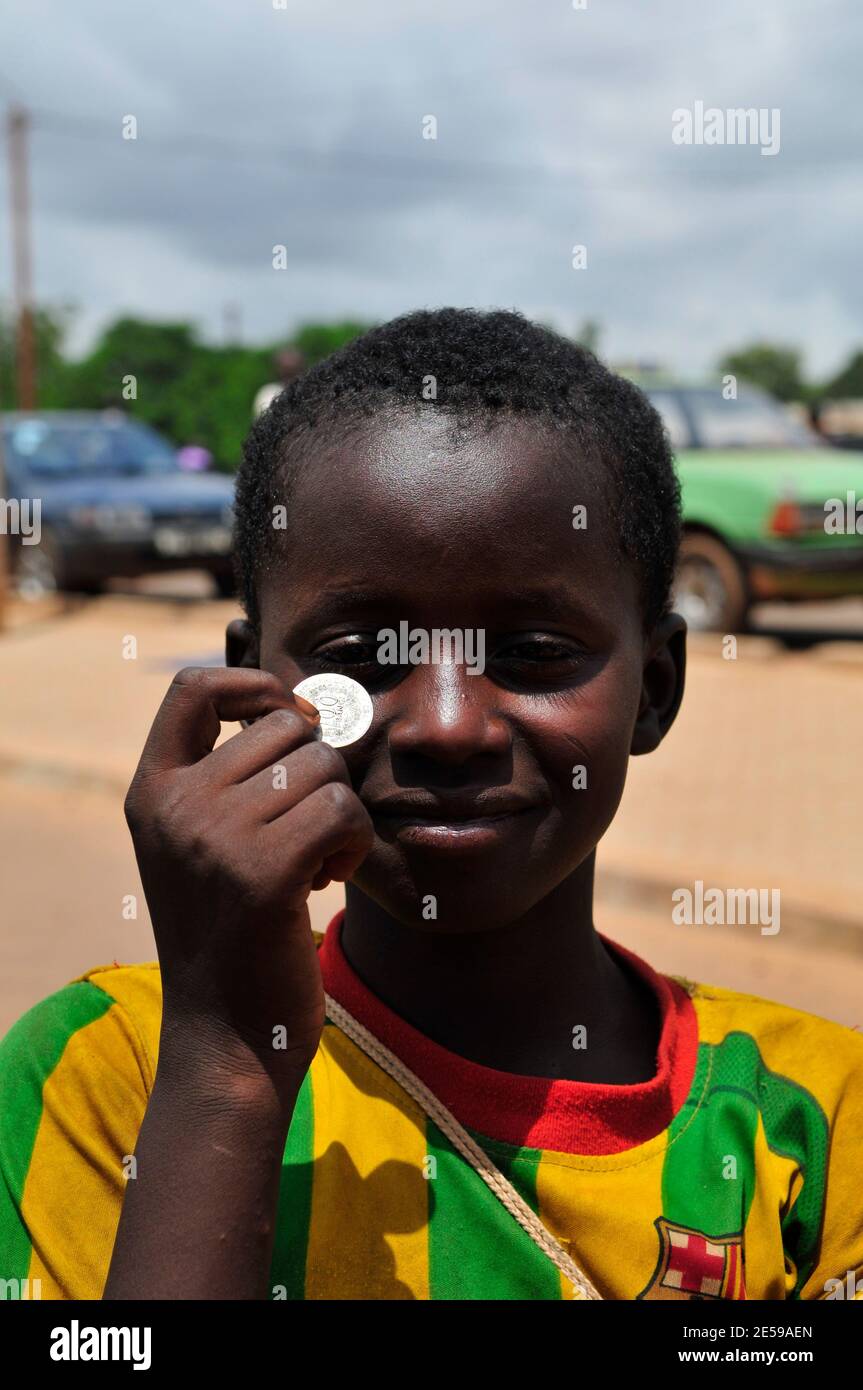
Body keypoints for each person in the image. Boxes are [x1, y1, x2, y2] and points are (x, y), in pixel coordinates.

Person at [1, 309, 861, 1301]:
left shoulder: (810, 1121)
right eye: (363, 656)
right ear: (249, 690)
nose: (448, 726)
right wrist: (226, 1071)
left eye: (535, 652)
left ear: (655, 688)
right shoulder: (105, 1074)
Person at [252, 346, 306, 418]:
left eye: (295, 370)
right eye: (286, 372)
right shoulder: (267, 394)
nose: (291, 379)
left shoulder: (311, 390)